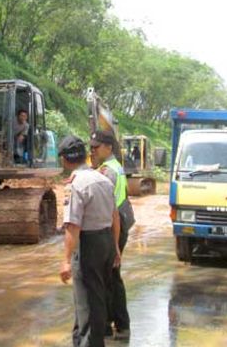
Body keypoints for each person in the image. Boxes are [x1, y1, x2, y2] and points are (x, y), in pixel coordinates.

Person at [58, 135, 121, 347]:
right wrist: (115, 247)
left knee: (86, 302)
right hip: (105, 241)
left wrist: (66, 260)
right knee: (98, 296)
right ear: (85, 155)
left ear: (64, 160)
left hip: (89, 244)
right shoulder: (103, 179)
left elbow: (73, 226)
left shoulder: (76, 185)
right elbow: (115, 216)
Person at [89, 130, 135, 341]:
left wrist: (114, 243)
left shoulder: (109, 171)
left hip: (113, 227)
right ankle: (111, 324)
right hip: (117, 223)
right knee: (109, 277)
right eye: (91, 147)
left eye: (96, 147)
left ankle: (119, 325)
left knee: (110, 277)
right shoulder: (112, 167)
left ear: (108, 147)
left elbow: (111, 209)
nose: (93, 151)